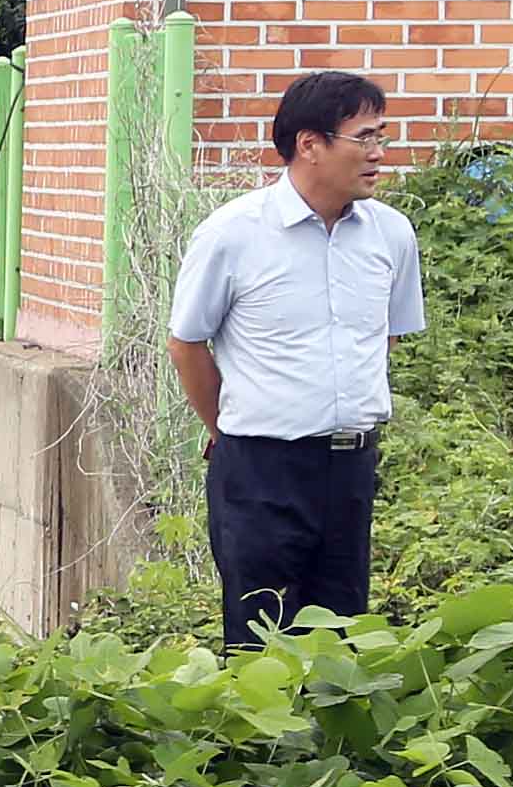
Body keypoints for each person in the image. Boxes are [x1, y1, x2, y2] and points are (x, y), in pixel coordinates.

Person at [166, 70, 427, 643]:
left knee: (338, 639)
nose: (378, 154)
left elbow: (384, 337)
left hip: (350, 467)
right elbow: (187, 343)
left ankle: (330, 737)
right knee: (260, 642)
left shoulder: (392, 234)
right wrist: (227, 426)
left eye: (382, 137)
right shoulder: (233, 234)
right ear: (309, 144)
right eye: (364, 138)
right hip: (261, 470)